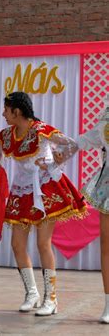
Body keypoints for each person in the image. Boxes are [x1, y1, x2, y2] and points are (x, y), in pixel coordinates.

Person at [0, 91, 86, 316]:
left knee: (43, 243)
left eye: (6, 110)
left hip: (43, 187)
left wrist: (55, 161)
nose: (3, 114)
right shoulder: (7, 135)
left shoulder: (41, 130)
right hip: (21, 189)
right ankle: (32, 293)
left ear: (17, 111)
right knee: (17, 244)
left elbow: (71, 145)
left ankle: (51, 299)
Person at [74, 101, 109, 323]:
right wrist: (62, 145)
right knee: (106, 243)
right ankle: (108, 303)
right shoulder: (107, 113)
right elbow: (90, 138)